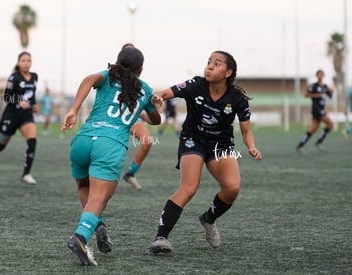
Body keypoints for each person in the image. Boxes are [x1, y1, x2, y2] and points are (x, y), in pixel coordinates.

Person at [148, 50, 262, 255]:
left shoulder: (237, 98)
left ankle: (208, 218)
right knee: (189, 188)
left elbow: (246, 131)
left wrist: (251, 147)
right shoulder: (196, 84)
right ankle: (161, 238)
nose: (210, 66)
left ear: (228, 73)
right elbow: (166, 93)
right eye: (209, 62)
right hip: (193, 139)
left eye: (217, 64)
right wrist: (158, 98)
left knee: (232, 188)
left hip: (221, 145)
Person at [61, 47, 161, 266]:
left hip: (83, 140)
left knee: (84, 187)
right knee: (100, 197)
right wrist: (153, 105)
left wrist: (74, 110)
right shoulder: (145, 89)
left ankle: (97, 223)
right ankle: (80, 236)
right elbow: (156, 120)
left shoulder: (108, 76)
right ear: (141, 69)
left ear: (117, 62)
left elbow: (88, 79)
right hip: (110, 144)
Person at [0, 51, 39, 185]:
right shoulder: (14, 78)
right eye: (23, 60)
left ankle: (26, 173)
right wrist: (18, 101)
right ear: (18, 63)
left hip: (26, 116)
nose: (26, 63)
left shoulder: (34, 77)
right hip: (11, 116)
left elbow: (32, 95)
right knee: (1, 145)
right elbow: (5, 97)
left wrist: (34, 105)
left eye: (28, 60)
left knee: (32, 141)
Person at [121, 42, 154, 190]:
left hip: (132, 117)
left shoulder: (139, 82)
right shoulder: (113, 77)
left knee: (147, 141)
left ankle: (130, 174)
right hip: (114, 119)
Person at [296, 69, 333, 153]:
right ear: (317, 76)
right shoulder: (314, 86)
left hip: (321, 109)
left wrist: (331, 91)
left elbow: (330, 96)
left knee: (313, 129)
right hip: (316, 110)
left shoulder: (325, 87)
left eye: (322, 74)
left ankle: (300, 145)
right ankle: (319, 141)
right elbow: (306, 94)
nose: (320, 76)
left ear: (323, 75)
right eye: (319, 74)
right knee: (330, 124)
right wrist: (317, 95)